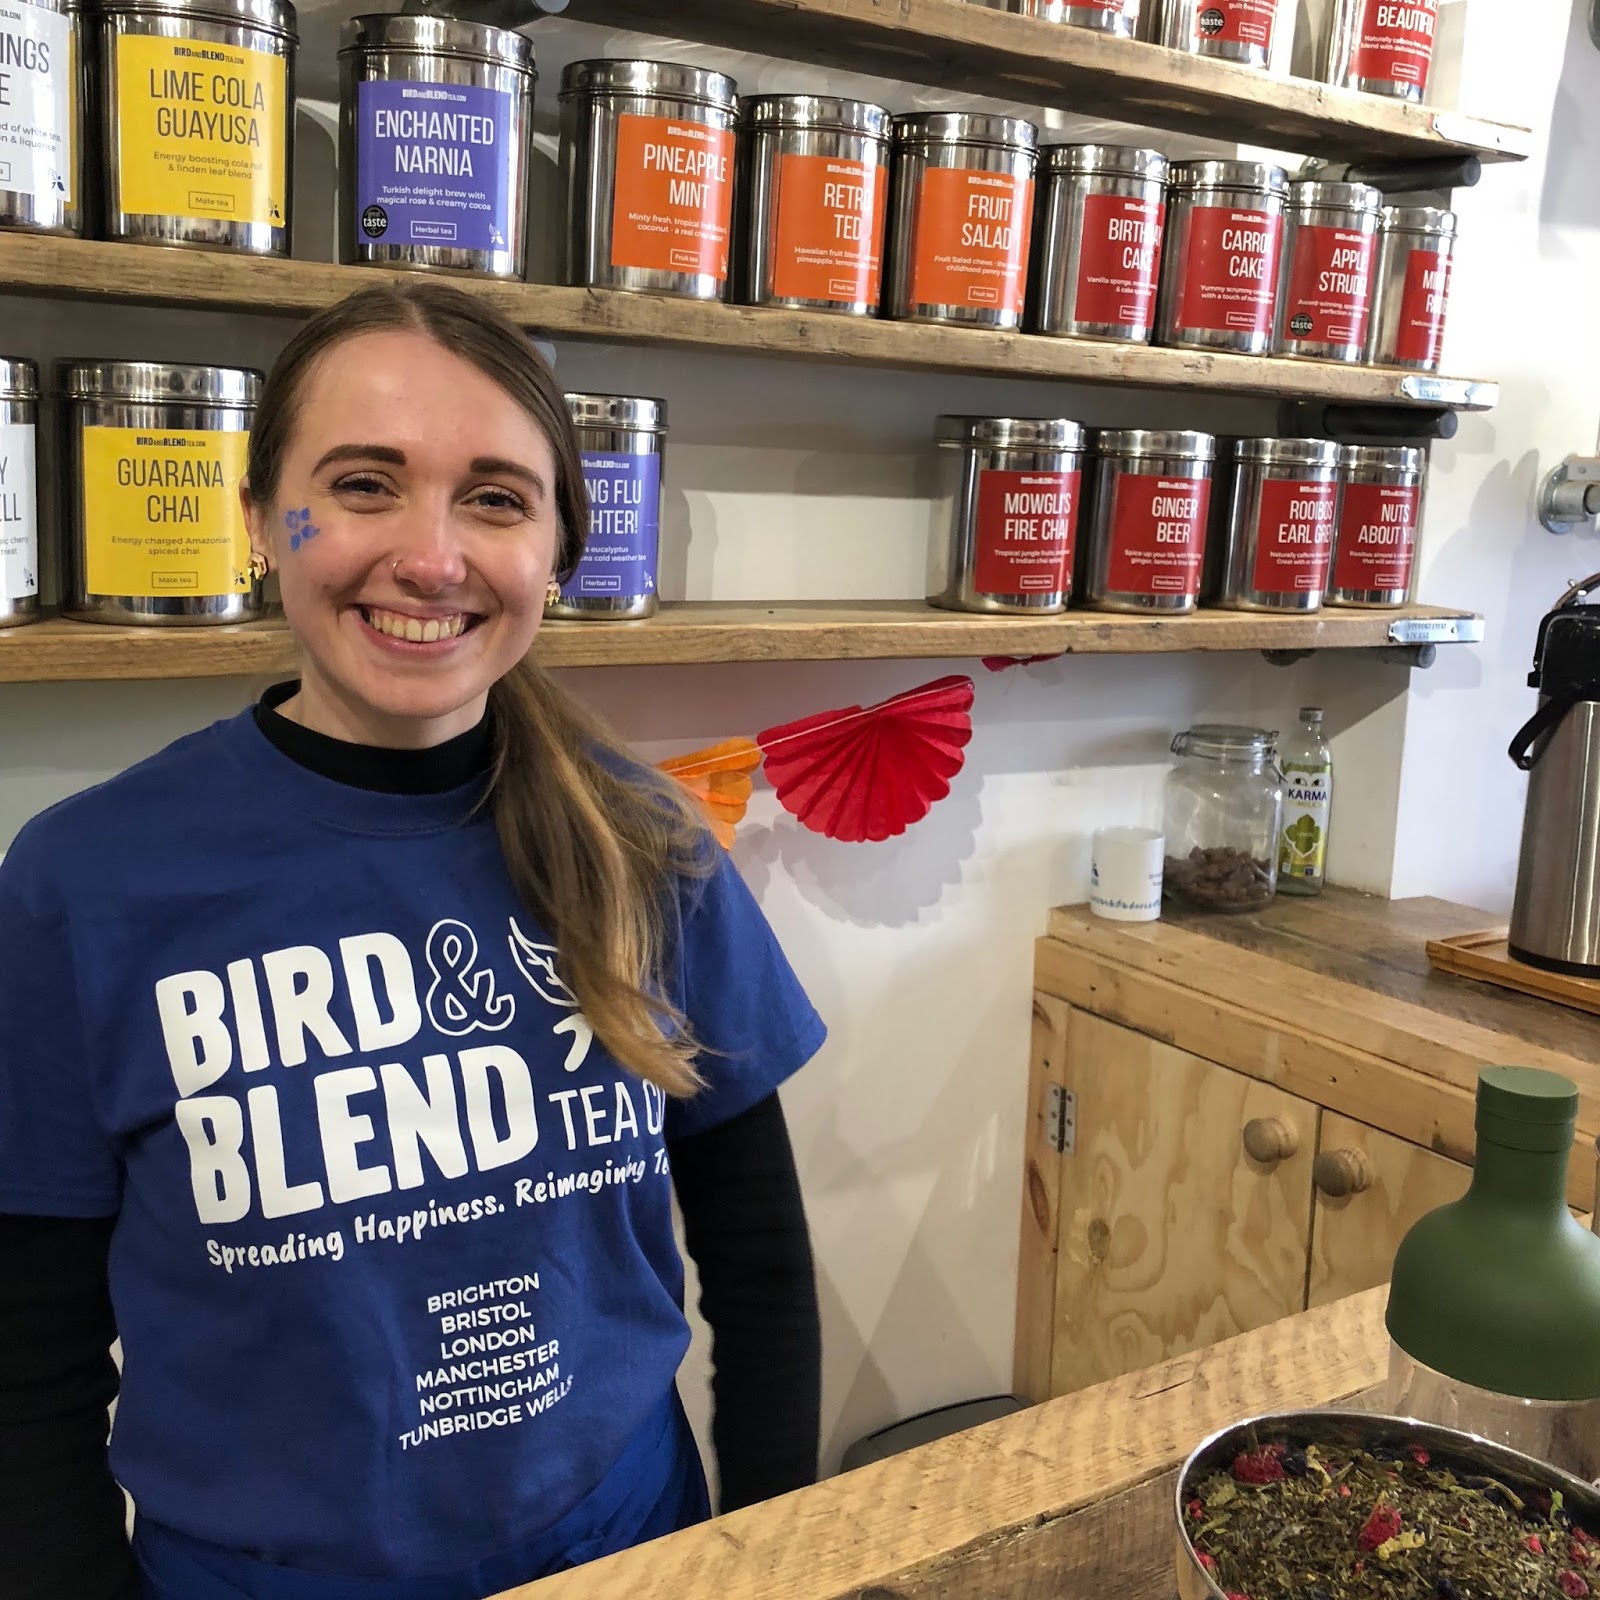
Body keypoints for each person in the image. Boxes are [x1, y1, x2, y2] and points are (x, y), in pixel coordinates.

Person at [0, 281, 826, 1600]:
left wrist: (782, 1560)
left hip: (632, 1555)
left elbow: (760, 1260)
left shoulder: (644, 842)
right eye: (364, 485)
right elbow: (27, 1361)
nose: (432, 557)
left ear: (556, 550)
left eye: (495, 498)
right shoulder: (81, 884)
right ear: (262, 519)